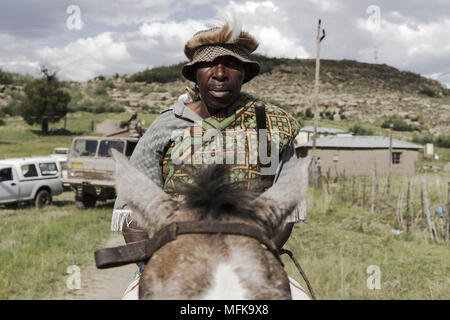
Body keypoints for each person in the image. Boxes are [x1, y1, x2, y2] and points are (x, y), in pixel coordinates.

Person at [112, 18, 309, 299]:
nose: (220, 73)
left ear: (243, 73)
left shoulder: (272, 126)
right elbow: (132, 212)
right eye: (209, 64)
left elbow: (286, 213)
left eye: (231, 64)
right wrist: (152, 267)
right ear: (195, 75)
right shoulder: (166, 126)